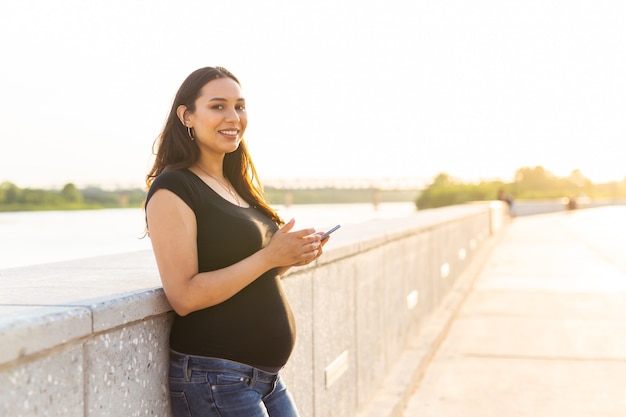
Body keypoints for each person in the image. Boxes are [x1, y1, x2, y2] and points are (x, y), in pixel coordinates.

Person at [144, 66, 329, 417]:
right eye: (218, 106)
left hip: (264, 378)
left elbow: (247, 276)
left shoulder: (236, 184)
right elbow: (184, 295)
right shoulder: (174, 189)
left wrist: (288, 257)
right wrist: (268, 256)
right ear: (187, 116)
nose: (234, 117)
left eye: (240, 106)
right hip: (215, 377)